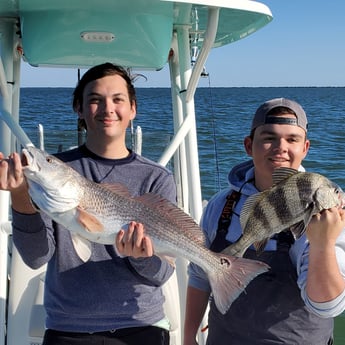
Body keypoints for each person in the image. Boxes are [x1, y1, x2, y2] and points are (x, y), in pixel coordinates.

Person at [0, 63, 177, 345]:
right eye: (95, 100)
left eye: (117, 99)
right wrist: (19, 193)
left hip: (142, 326)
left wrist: (140, 256)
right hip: (68, 328)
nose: (107, 108)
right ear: (79, 109)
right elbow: (36, 257)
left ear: (133, 109)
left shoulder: (156, 178)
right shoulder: (53, 177)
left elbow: (161, 274)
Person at [183, 98, 345, 345]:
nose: (281, 147)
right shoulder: (221, 205)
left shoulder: (331, 214)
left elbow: (328, 307)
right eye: (269, 137)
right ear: (249, 145)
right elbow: (199, 275)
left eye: (292, 139)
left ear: (306, 148)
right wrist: (188, 337)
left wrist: (323, 244)